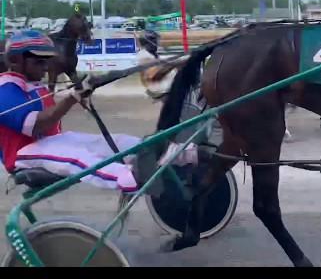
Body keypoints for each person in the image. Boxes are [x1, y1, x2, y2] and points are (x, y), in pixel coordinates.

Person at [0, 30, 197, 193]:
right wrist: (72, 97)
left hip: (51, 142)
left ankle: (177, 153)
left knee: (114, 142)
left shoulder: (33, 85)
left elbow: (51, 110)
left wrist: (76, 94)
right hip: (22, 154)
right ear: (16, 60)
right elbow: (36, 124)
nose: (45, 68)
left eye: (46, 62)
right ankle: (126, 177)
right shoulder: (5, 88)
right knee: (76, 157)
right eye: (38, 62)